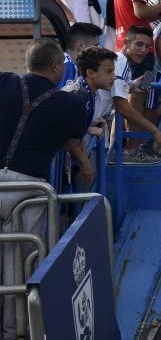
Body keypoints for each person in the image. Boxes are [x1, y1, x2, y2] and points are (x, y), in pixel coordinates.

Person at [0, 39, 90, 339]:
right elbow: (70, 139)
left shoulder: (4, 81)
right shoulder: (71, 103)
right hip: (28, 188)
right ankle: (16, 330)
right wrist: (84, 161)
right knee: (22, 261)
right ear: (54, 66)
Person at [62, 46, 118, 188]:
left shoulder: (87, 92)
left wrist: (87, 126)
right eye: (109, 72)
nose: (114, 77)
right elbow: (66, 137)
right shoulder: (79, 96)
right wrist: (84, 161)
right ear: (91, 73)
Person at [112, 26, 161, 163]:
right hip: (149, 68)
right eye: (139, 45)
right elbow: (122, 106)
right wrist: (154, 131)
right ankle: (130, 150)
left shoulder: (126, 64)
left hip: (147, 69)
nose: (143, 50)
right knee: (138, 101)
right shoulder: (121, 62)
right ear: (126, 43)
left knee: (154, 105)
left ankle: (127, 150)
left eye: (147, 46)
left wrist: (129, 87)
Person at [58, 23, 103, 89]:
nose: (98, 49)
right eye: (95, 45)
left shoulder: (72, 65)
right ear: (80, 45)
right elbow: (62, 97)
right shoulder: (68, 65)